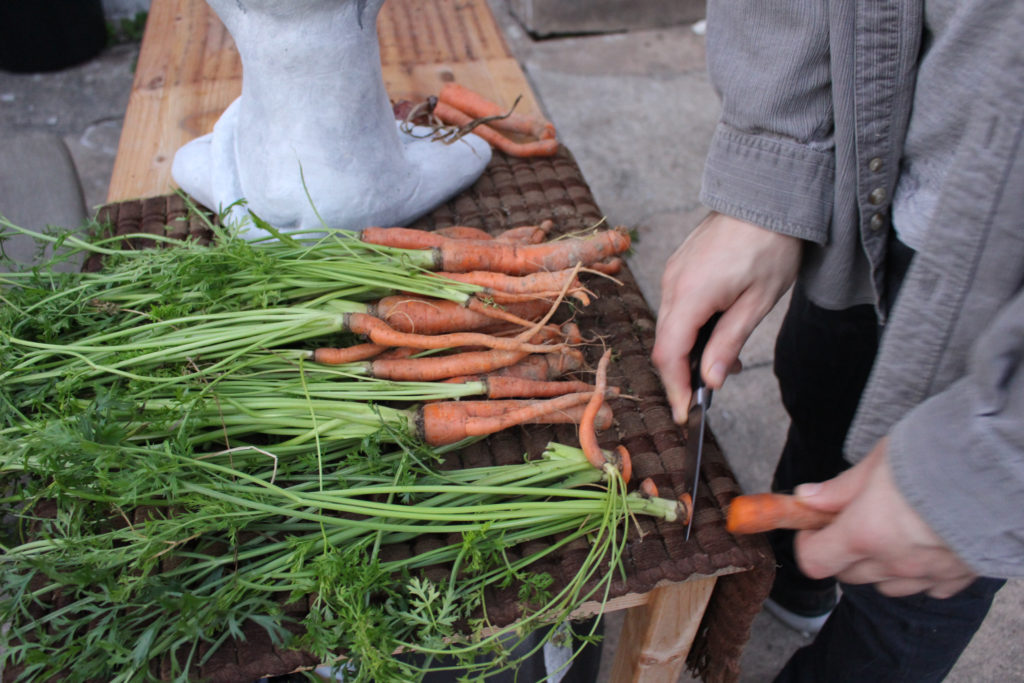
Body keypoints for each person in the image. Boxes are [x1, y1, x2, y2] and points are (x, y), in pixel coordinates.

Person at [651, 2, 1024, 680]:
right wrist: (771, 165)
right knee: (819, 377)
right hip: (873, 179)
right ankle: (792, 586)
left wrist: (996, 459)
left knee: (912, 583)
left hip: (1002, 306)